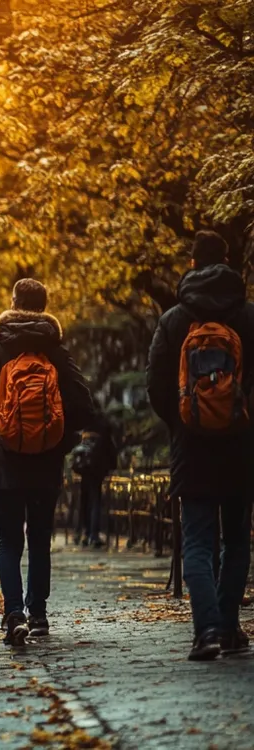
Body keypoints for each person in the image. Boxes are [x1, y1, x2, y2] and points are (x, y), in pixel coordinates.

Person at [0, 279, 95, 647]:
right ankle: (38, 614)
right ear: (44, 306)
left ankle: (14, 614)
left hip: (5, 464)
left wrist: (2, 431)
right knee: (39, 539)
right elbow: (84, 406)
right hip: (46, 464)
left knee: (9, 542)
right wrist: (59, 439)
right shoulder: (56, 350)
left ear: (13, 303)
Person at [147, 231, 254, 661]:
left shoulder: (175, 319)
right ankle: (229, 627)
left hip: (191, 449)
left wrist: (182, 420)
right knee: (237, 540)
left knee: (195, 539)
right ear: (227, 261)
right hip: (242, 445)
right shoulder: (248, 316)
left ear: (192, 264)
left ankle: (206, 630)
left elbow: (156, 385)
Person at [69, 429, 115, 547]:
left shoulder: (84, 434)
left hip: (85, 472)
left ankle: (84, 533)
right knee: (95, 503)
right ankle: (93, 536)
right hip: (97, 473)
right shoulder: (102, 433)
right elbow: (111, 453)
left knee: (84, 503)